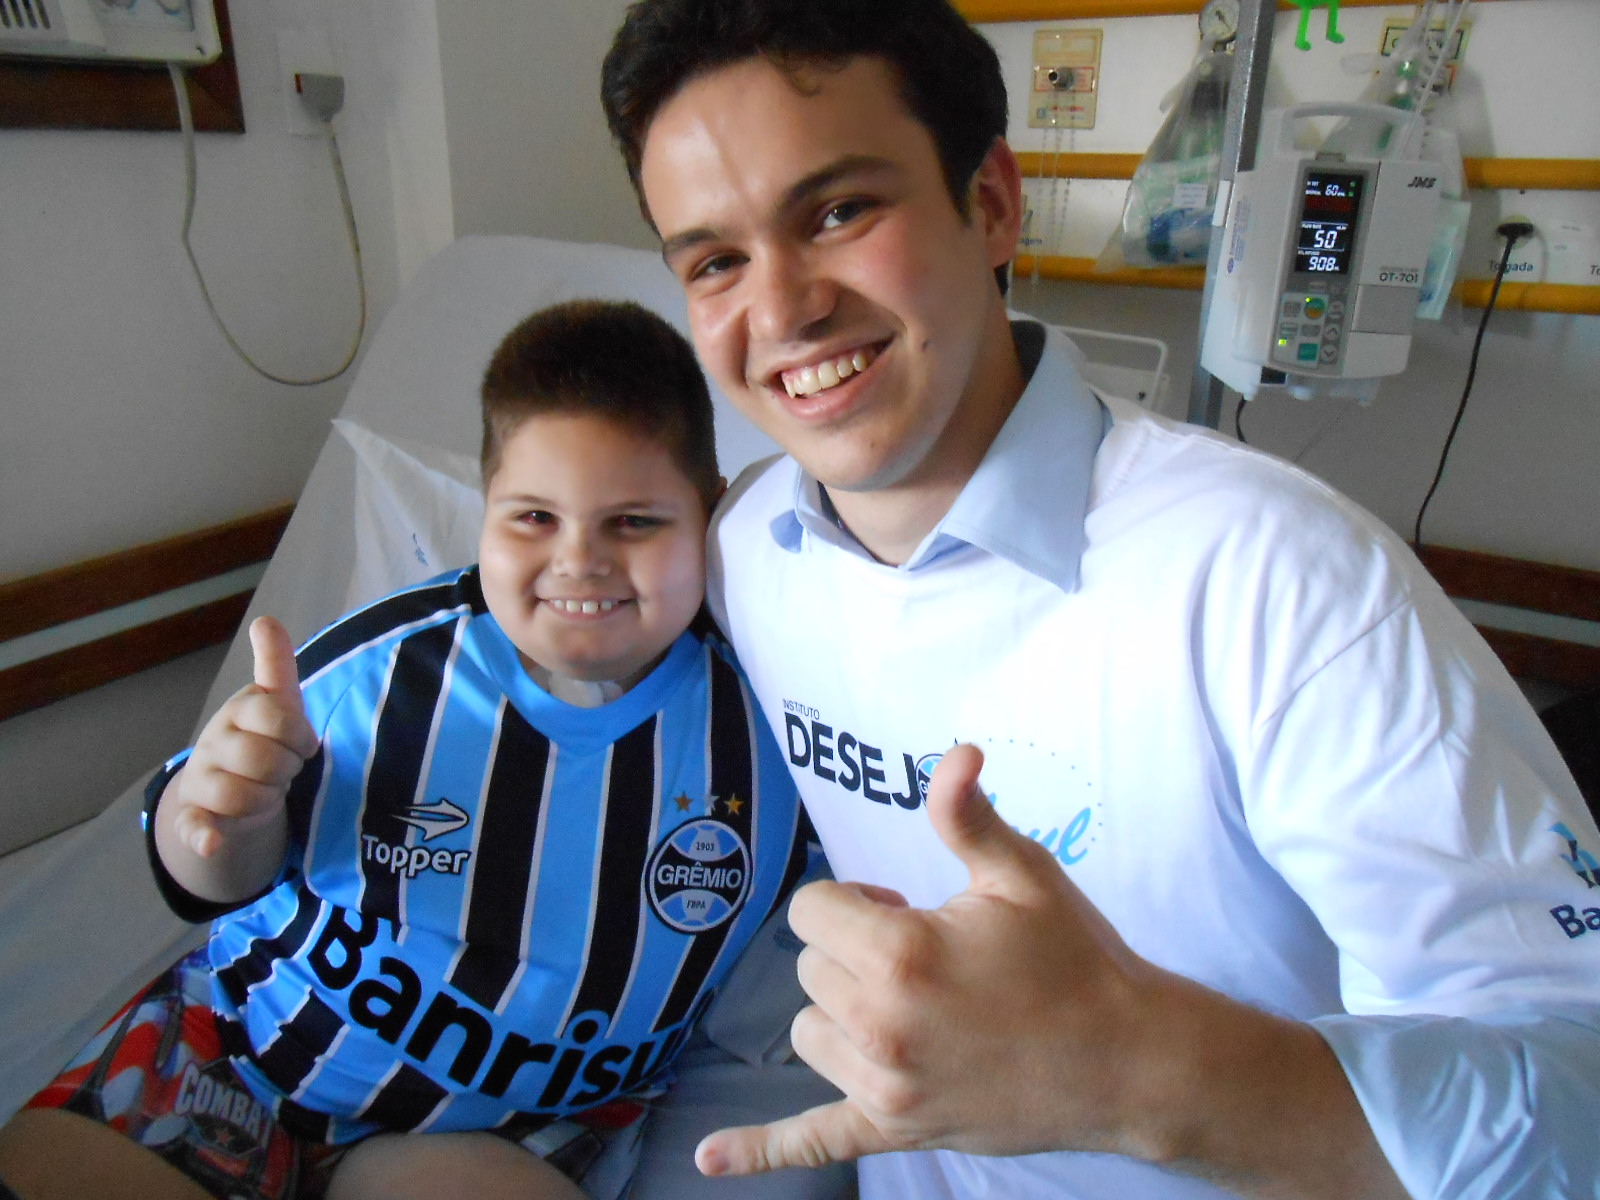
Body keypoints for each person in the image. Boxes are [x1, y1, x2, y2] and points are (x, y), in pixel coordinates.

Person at [599, 2, 1600, 1198]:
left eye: (839, 211)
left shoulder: (1274, 584)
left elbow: (1575, 1106)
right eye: (715, 261)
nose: (781, 311)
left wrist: (1131, 1074)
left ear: (991, 205)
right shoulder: (747, 550)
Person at [0, 300, 807, 1200]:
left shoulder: (765, 723)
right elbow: (206, 882)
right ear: (487, 514)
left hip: (501, 1128)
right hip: (239, 1051)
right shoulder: (376, 673)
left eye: (634, 523)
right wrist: (222, 820)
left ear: (711, 509)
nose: (579, 561)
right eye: (534, 518)